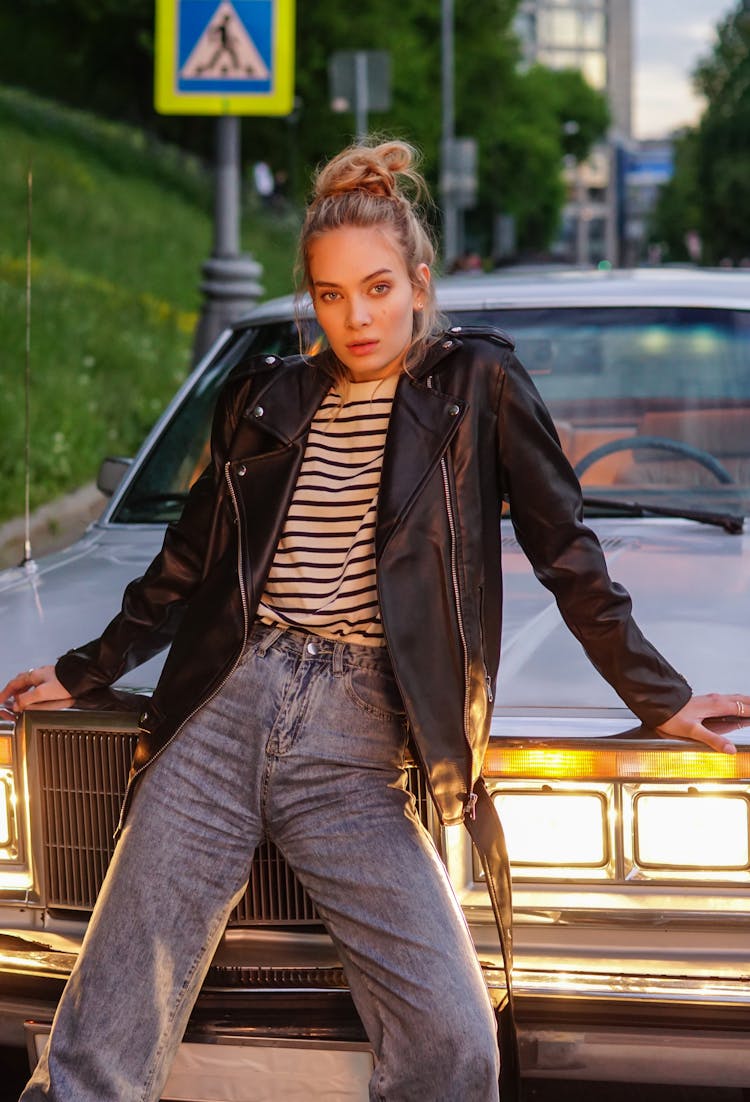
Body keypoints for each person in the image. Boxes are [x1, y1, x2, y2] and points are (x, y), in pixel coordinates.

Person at [3, 139, 746, 1102]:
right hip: (222, 711)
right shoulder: (263, 398)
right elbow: (186, 562)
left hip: (357, 743)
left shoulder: (478, 385)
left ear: (419, 282)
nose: (356, 316)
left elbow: (570, 557)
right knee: (98, 1046)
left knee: (453, 1041)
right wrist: (86, 669)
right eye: (330, 294)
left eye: (378, 287)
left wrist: (664, 698)